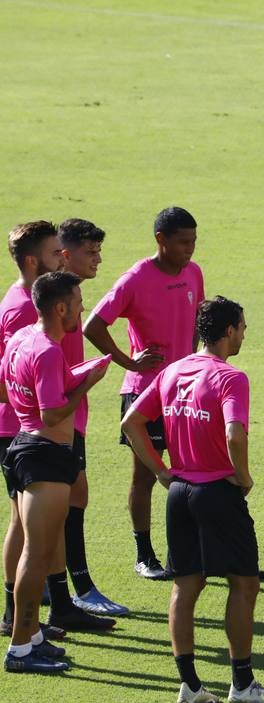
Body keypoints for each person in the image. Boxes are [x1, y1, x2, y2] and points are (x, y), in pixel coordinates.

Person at [123, 295, 264, 703]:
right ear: (229, 330)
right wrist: (244, 476)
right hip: (217, 493)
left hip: (179, 493)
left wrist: (163, 472)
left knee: (186, 585)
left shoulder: (173, 371)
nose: (245, 334)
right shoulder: (230, 377)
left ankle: (190, 686)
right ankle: (243, 683)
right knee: (244, 582)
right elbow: (235, 434)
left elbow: (131, 424)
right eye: (243, 327)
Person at [2, 221, 112, 636]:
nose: (62, 257)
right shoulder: (23, 316)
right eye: (54, 253)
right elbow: (36, 397)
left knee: (41, 534)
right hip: (34, 437)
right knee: (30, 537)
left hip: (35, 435)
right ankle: (20, 631)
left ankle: (53, 611)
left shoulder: (34, 326)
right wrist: (84, 382)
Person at [85, 206, 204, 581]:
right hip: (144, 393)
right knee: (145, 475)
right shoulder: (136, 278)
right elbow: (93, 325)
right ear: (161, 240)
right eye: (183, 242)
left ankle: (184, 553)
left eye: (194, 242)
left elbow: (198, 321)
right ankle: (144, 554)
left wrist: (196, 366)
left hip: (184, 391)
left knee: (191, 470)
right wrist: (129, 362)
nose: (190, 249)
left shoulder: (193, 273)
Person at [56, 219, 128, 618]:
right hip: (56, 416)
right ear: (65, 254)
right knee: (67, 498)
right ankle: (78, 587)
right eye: (90, 252)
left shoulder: (67, 293)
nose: (98, 259)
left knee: (70, 497)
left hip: (70, 412)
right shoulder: (51, 300)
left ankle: (62, 588)